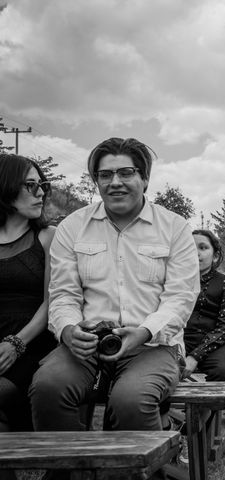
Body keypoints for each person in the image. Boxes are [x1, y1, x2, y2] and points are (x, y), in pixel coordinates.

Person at [29, 138, 199, 449]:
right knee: (48, 387)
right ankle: (74, 470)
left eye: (126, 172)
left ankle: (145, 468)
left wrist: (143, 332)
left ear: (144, 178)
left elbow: (180, 298)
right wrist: (67, 330)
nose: (115, 182)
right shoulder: (72, 227)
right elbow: (63, 294)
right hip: (88, 344)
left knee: (131, 400)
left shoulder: (174, 228)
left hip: (154, 346)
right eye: (105, 175)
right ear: (96, 180)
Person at [0, 155, 57, 436]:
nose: (41, 193)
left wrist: (15, 343)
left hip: (32, 342)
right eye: (31, 185)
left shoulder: (48, 236)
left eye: (43, 185)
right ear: (6, 187)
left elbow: (52, 301)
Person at [183, 230, 225, 382]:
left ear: (215, 255)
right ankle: (163, 406)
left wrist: (195, 356)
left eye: (203, 247)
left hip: (215, 342)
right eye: (191, 248)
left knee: (223, 371)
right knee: (162, 370)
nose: (196, 253)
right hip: (179, 340)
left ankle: (215, 406)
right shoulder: (175, 280)